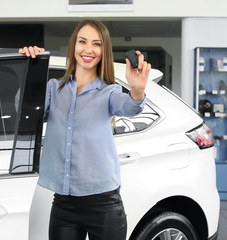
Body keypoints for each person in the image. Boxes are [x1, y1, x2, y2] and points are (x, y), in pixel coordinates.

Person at [19, 18, 151, 240]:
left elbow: (129, 107)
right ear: (74, 45)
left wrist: (137, 91)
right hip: (64, 204)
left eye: (97, 44)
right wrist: (29, 68)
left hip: (104, 206)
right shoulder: (53, 89)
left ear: (104, 51)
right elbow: (26, 112)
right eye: (83, 41)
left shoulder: (109, 92)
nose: (88, 49)